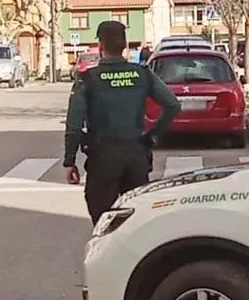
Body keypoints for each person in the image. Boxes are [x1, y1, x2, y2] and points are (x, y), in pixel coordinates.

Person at [63, 20, 181, 225]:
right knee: (136, 221)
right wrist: (152, 135)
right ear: (124, 46)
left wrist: (70, 160)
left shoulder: (88, 79)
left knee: (103, 220)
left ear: (100, 46)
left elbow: (74, 125)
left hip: (103, 159)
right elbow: (172, 105)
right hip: (136, 156)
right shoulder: (142, 74)